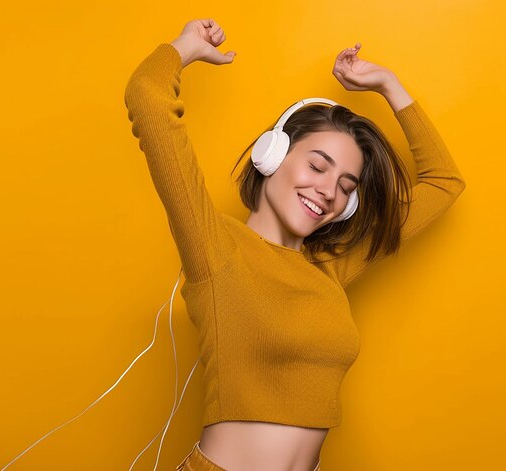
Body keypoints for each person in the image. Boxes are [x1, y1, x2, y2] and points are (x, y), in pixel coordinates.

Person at [124, 18, 466, 471]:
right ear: (273, 153)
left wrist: (389, 85)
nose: (329, 191)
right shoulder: (215, 245)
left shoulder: (330, 267)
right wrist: (185, 47)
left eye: (347, 185)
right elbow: (147, 98)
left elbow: (444, 183)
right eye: (318, 166)